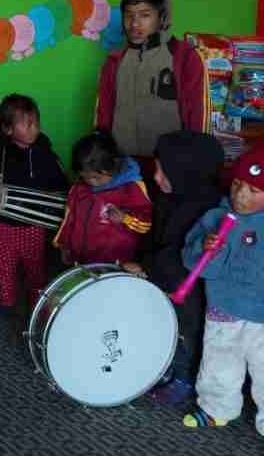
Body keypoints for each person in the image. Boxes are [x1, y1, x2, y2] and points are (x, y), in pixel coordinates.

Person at [122, 131, 223, 405]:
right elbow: (154, 237)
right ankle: (164, 365)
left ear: (185, 172)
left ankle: (184, 376)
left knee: (185, 331)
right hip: (163, 276)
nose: (155, 177)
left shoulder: (203, 207)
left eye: (161, 170)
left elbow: (178, 253)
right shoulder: (169, 197)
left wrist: (144, 265)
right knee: (161, 323)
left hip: (189, 287)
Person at [180, 141, 264, 437]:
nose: (241, 195)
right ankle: (217, 409)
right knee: (219, 362)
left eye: (254, 190)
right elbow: (193, 262)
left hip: (261, 315)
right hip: (224, 307)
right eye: (238, 184)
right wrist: (205, 250)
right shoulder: (214, 218)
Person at [0, 94, 68, 341]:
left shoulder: (45, 153)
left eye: (36, 122)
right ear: (7, 128)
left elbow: (61, 186)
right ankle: (7, 302)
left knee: (35, 265)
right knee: (5, 263)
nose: (34, 127)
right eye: (26, 123)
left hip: (35, 224)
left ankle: (37, 304)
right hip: (5, 224)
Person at [95, 0, 208, 163]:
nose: (134, 23)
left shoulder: (184, 57)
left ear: (162, 18)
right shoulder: (114, 60)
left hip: (168, 165)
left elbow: (197, 115)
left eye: (145, 15)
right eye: (129, 15)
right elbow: (103, 113)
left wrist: (190, 160)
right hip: (122, 162)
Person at [54, 131, 151, 266]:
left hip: (116, 264)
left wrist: (125, 218)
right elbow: (69, 218)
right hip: (81, 261)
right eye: (85, 177)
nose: (91, 182)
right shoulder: (79, 188)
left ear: (113, 166)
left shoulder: (131, 188)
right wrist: (63, 244)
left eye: (96, 177)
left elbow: (146, 224)